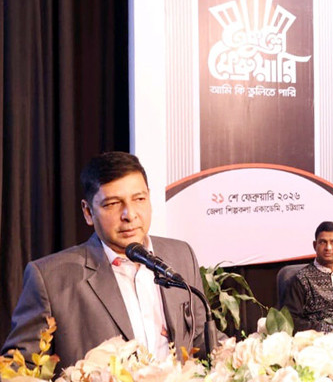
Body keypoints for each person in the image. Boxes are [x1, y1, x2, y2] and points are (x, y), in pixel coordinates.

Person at [2, 152, 209, 371]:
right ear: (88, 212)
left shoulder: (180, 255)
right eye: (112, 204)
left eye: (139, 199)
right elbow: (17, 369)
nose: (129, 214)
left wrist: (233, 357)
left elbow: (200, 338)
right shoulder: (49, 278)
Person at [282, 221, 333, 332]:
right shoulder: (302, 280)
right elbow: (290, 320)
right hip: (321, 338)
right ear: (315, 245)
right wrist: (325, 329)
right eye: (323, 242)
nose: (328, 247)